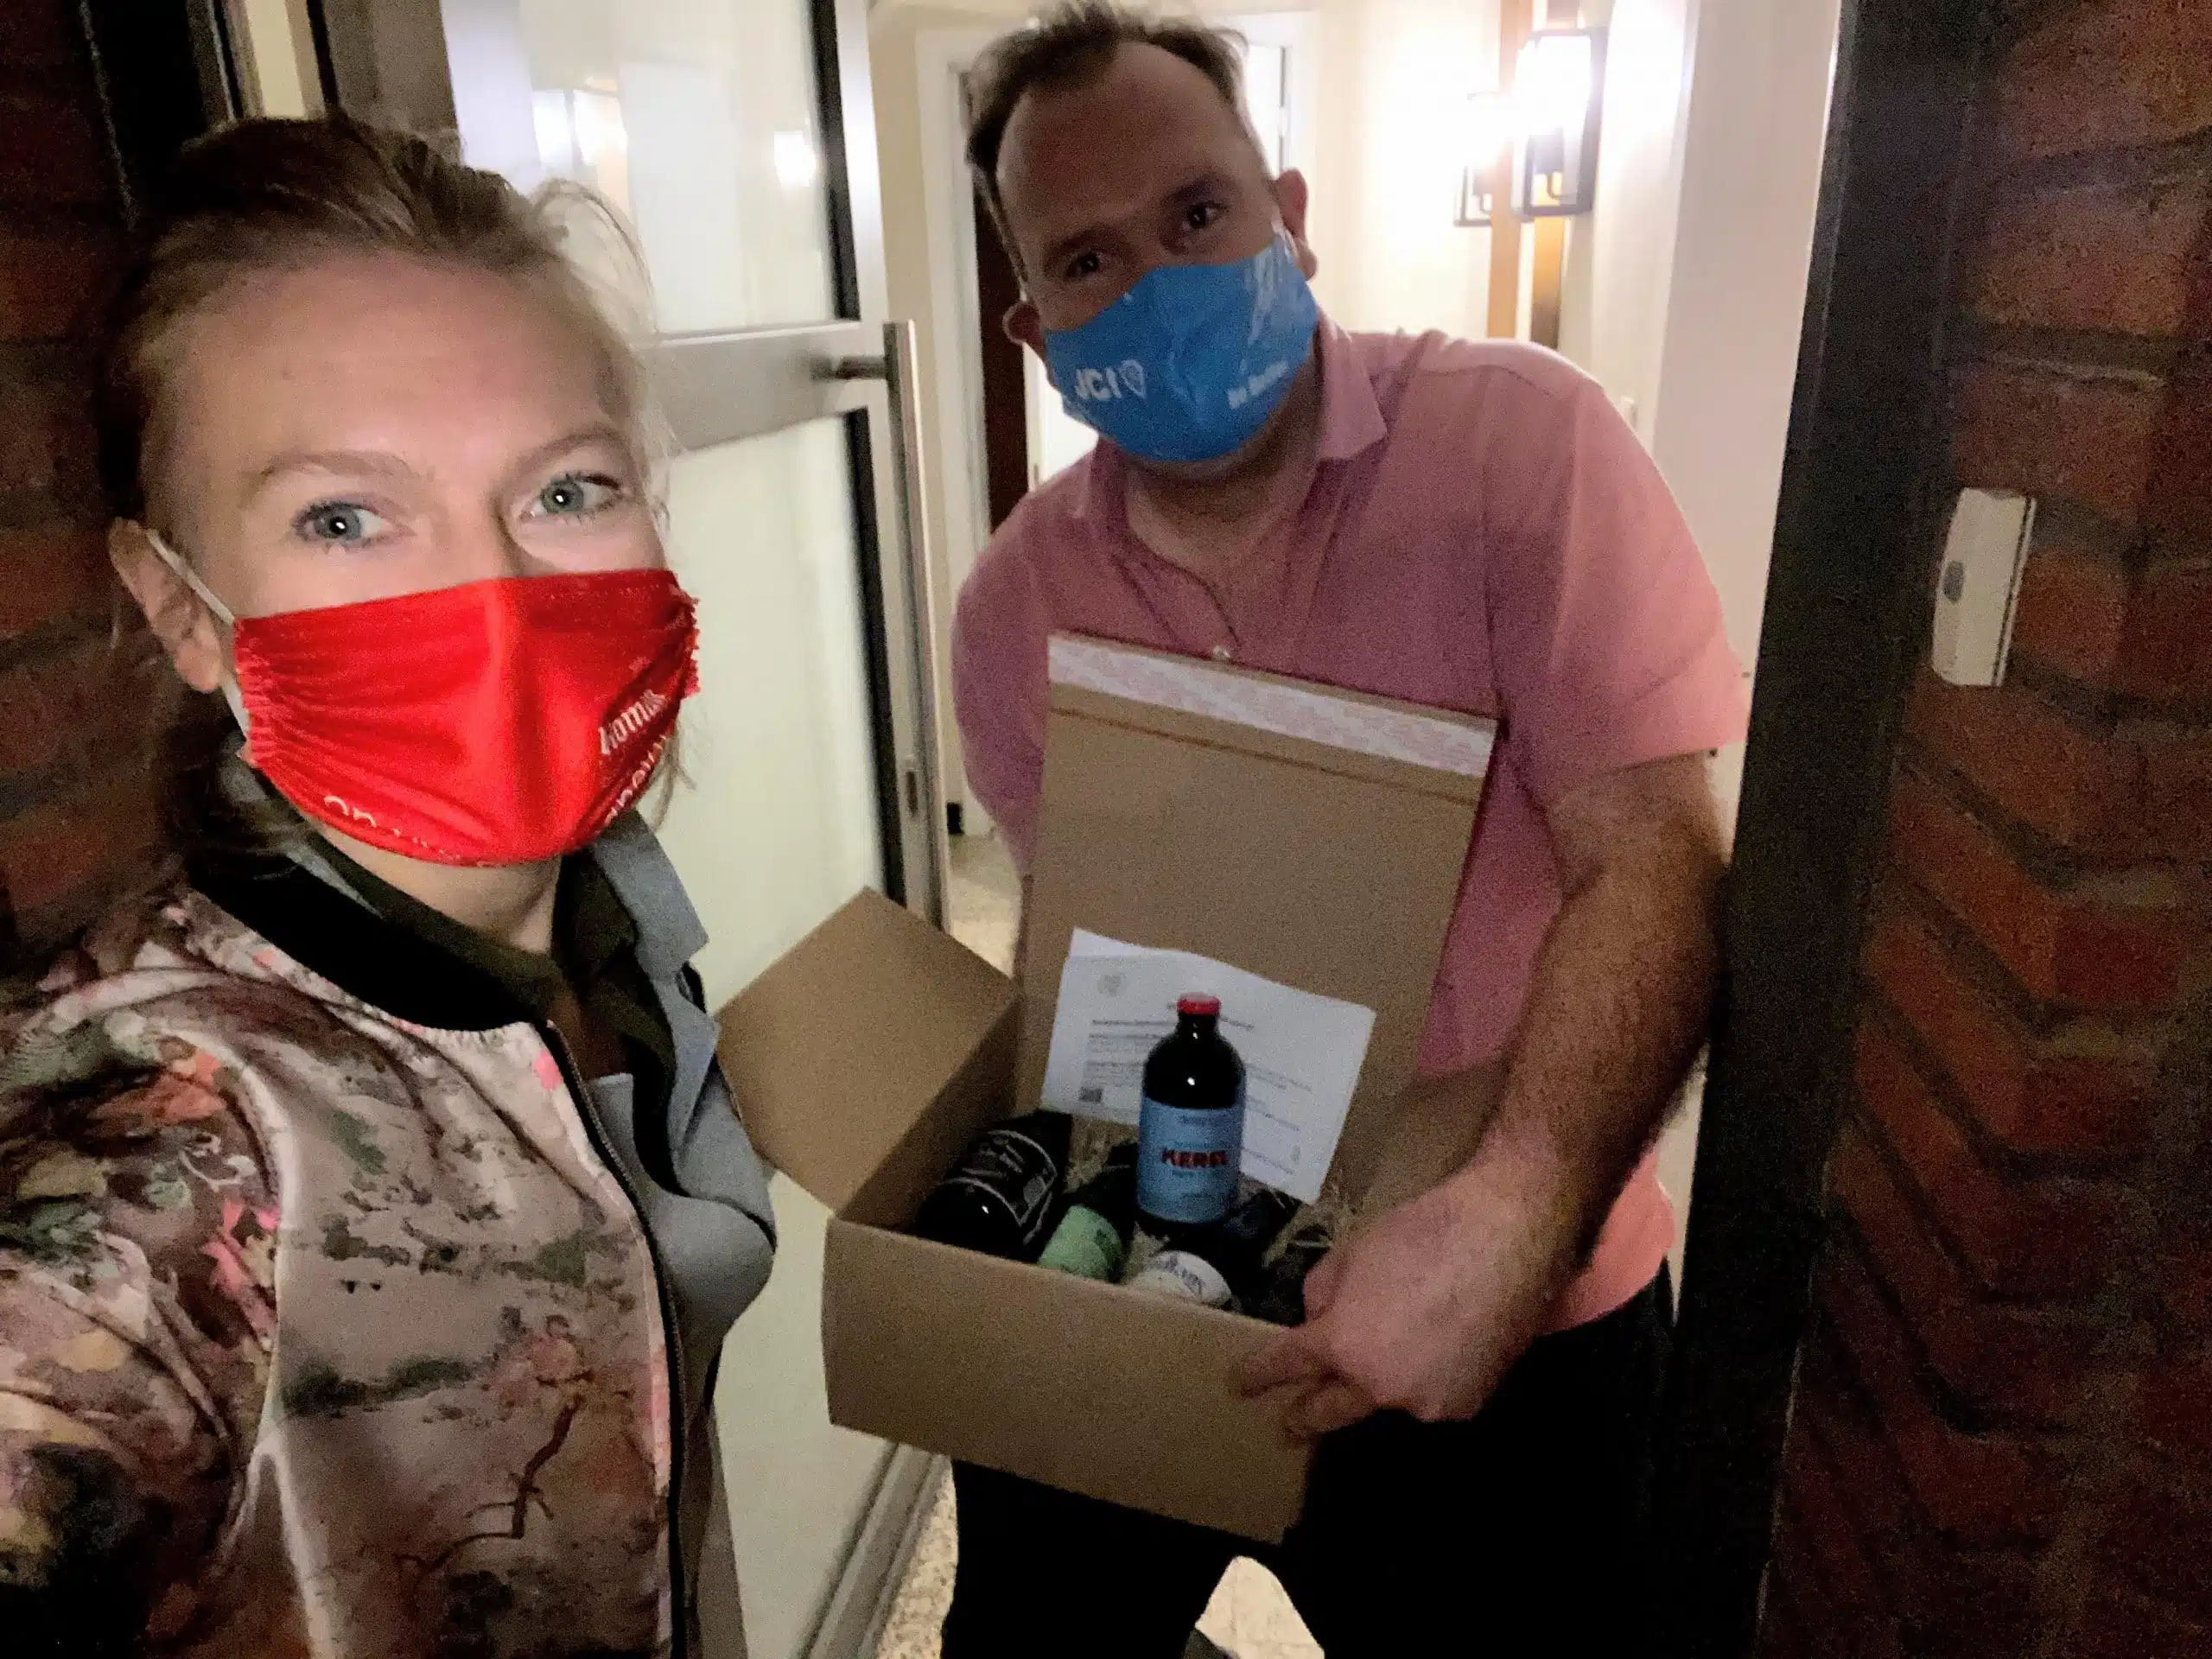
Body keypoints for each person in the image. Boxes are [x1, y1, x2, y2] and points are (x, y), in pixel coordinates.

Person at [944, 4, 1747, 1653]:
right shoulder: (1017, 605)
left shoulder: (1523, 452)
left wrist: (1520, 1212)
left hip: (1507, 1289)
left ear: (1288, 215)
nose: (1157, 284)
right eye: (1089, 259)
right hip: (1159, 1274)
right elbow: (1080, 952)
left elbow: (1657, 860)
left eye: (1196, 214)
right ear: (1036, 326)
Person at [0, 118, 773, 1659]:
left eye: (567, 491)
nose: (494, 597)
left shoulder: (608, 916)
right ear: (183, 611)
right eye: (343, 519)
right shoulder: (161, 1149)